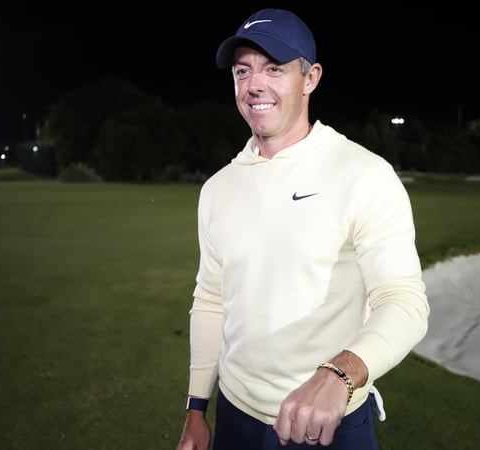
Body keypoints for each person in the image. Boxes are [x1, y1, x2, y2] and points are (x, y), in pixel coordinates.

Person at [176, 8, 429, 450]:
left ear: (310, 78)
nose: (254, 84)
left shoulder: (363, 173)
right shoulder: (219, 187)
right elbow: (212, 299)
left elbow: (403, 301)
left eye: (274, 68)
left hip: (327, 423)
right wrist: (197, 408)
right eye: (243, 70)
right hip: (235, 415)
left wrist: (341, 374)